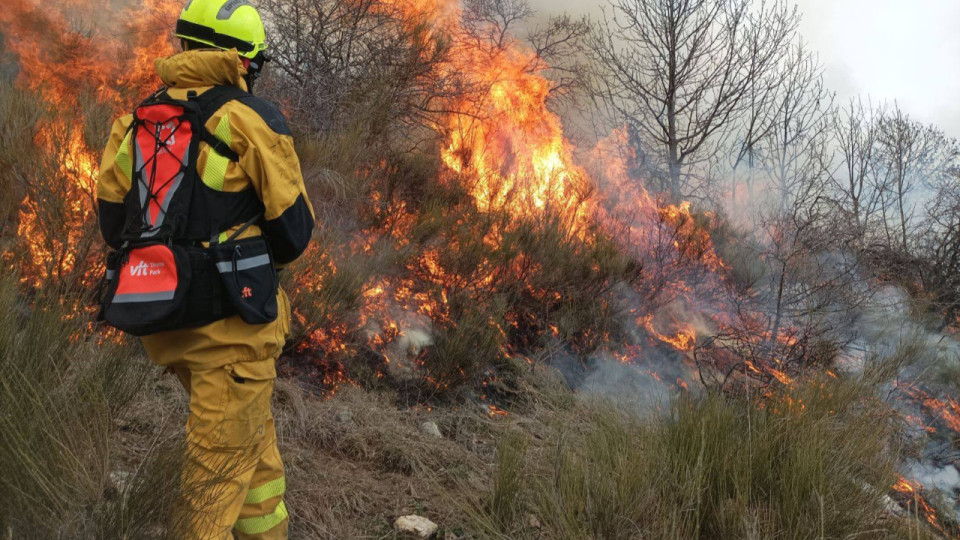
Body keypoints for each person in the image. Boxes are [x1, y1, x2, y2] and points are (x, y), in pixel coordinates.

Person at [96, 0, 314, 537]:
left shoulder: (136, 120)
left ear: (186, 46)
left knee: (253, 459)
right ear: (244, 61)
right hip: (231, 333)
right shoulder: (250, 119)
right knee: (212, 485)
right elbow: (294, 234)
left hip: (164, 320)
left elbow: (113, 222)